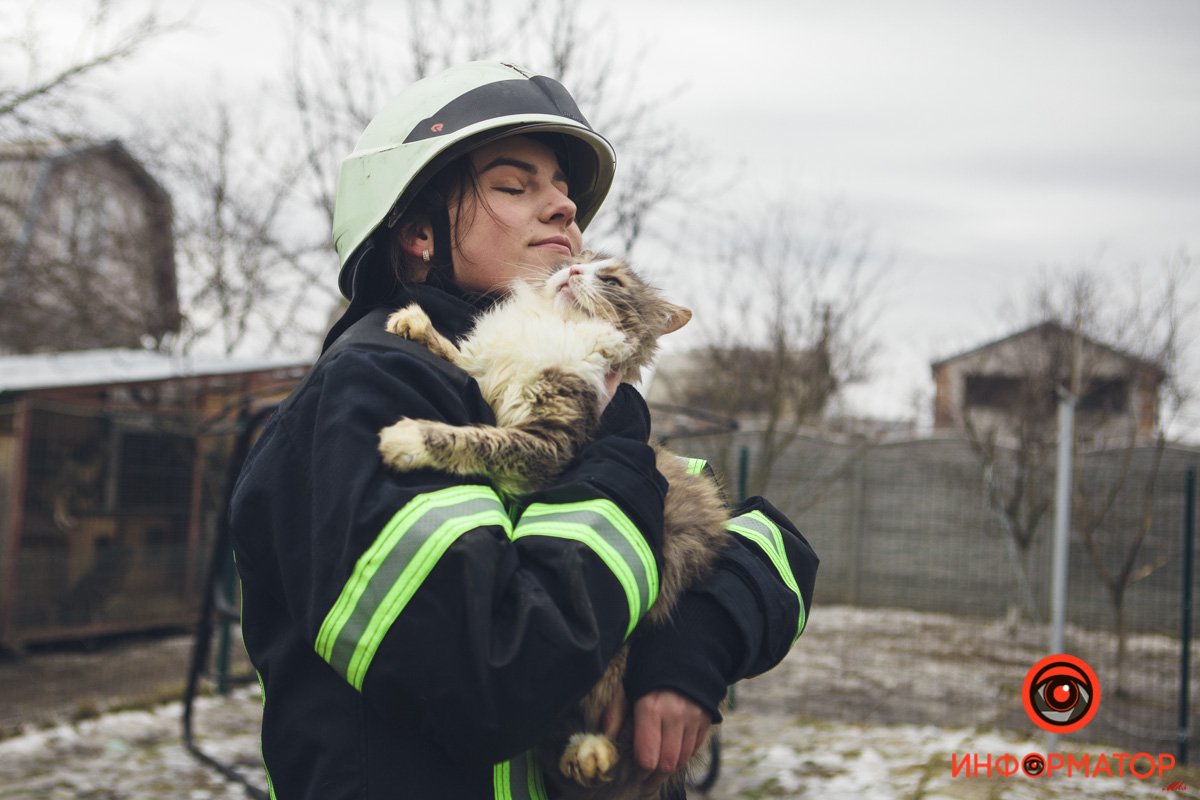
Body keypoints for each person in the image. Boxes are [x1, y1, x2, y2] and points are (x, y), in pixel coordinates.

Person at [230, 60, 818, 800]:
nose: (564, 209)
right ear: (417, 233)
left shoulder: (546, 391)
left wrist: (689, 650)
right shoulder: (372, 394)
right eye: (515, 186)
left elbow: (768, 546)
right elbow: (493, 672)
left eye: (565, 192)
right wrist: (613, 462)